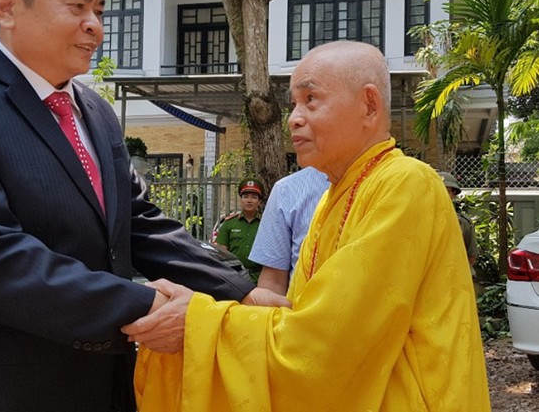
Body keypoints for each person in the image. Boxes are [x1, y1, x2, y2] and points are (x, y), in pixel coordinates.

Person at [0, 0, 278, 412]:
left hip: (101, 384)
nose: (95, 24)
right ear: (8, 6)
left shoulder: (92, 110)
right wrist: (147, 305)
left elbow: (138, 222)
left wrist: (240, 293)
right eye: (77, 7)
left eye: (99, 9)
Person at [124, 41, 490, 411]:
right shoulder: (334, 197)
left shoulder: (407, 184)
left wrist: (201, 323)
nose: (294, 119)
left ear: (369, 105)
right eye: (293, 105)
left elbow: (329, 344)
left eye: (311, 99)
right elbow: (301, 319)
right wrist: (214, 308)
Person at [248, 166, 329, 294]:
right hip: (300, 311)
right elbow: (273, 282)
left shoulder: (371, 188)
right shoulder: (286, 191)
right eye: (246, 196)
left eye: (253, 196)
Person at [215, 178, 265, 282]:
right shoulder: (229, 223)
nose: (249, 200)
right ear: (240, 200)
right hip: (235, 277)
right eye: (245, 197)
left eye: (254, 197)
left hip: (260, 277)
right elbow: (221, 252)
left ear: (259, 202)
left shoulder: (266, 224)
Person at [438, 171, 479, 277]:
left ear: (453, 195)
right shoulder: (420, 219)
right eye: (438, 190)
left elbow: (471, 255)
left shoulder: (463, 222)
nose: (442, 194)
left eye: (447, 191)